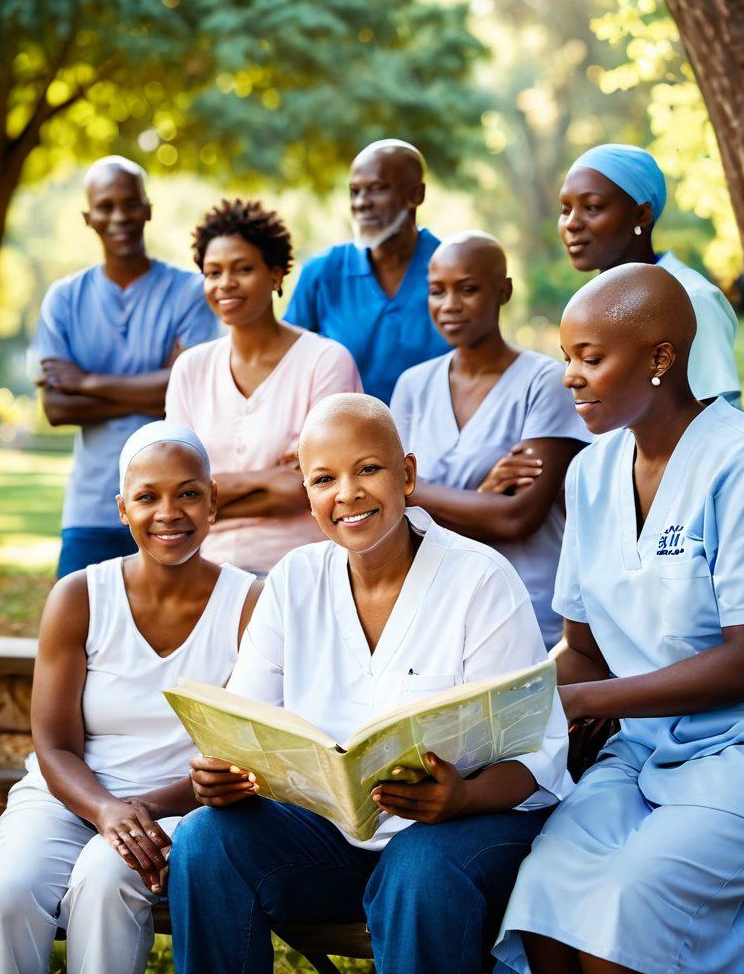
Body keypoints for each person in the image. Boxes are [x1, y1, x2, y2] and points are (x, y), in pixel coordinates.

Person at [492, 264, 744, 974]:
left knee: (625, 904)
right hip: (649, 748)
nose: (571, 378)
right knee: (544, 893)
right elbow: (581, 652)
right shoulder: (590, 474)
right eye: (566, 358)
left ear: (660, 357)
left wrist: (582, 702)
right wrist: (495, 705)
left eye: (591, 357)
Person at [168, 393, 572, 974]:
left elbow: (537, 753)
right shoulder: (293, 581)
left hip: (467, 831)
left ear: (406, 474)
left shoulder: (479, 579)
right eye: (324, 478)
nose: (348, 494)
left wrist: (460, 797)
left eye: (369, 469)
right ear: (308, 497)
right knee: (206, 839)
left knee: (418, 867)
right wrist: (221, 770)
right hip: (333, 839)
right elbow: (245, 720)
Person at [0, 422, 261, 974]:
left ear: (213, 502)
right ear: (122, 508)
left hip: (180, 807)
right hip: (65, 796)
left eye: (189, 493)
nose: (169, 512)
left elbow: (243, 749)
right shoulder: (81, 595)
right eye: (147, 497)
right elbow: (54, 744)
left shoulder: (250, 602)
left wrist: (142, 812)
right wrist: (106, 810)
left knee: (103, 884)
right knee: (8, 890)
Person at [391, 231, 590, 646]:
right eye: (437, 291)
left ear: (504, 290)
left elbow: (517, 518)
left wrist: (409, 491)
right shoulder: (413, 385)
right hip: (438, 604)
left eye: (468, 289)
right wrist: (481, 494)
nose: (450, 305)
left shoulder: (546, 382)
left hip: (530, 607)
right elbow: (390, 516)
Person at [31, 156, 218, 577]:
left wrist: (87, 382)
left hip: (174, 511)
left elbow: (191, 393)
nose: (120, 216)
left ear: (148, 208)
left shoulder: (189, 291)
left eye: (130, 204)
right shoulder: (64, 299)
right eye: (106, 206)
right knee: (81, 629)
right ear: (88, 216)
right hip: (92, 507)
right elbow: (57, 408)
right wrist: (156, 388)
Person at [165, 199, 362, 576]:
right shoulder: (191, 369)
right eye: (213, 272)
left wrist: (201, 493)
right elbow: (172, 488)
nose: (226, 284)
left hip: (302, 572)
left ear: (275, 274)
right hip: (204, 573)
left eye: (242, 269)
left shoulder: (325, 362)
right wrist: (267, 480)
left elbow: (304, 490)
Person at [558, 142, 741, 404]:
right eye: (565, 210)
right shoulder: (591, 305)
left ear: (641, 215)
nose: (572, 223)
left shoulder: (692, 299)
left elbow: (718, 417)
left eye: (593, 207)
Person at [284, 139, 450, 403]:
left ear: (416, 195)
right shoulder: (322, 272)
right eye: (355, 191)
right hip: (344, 437)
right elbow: (287, 370)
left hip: (438, 437)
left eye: (377, 189)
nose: (361, 203)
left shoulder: (452, 266)